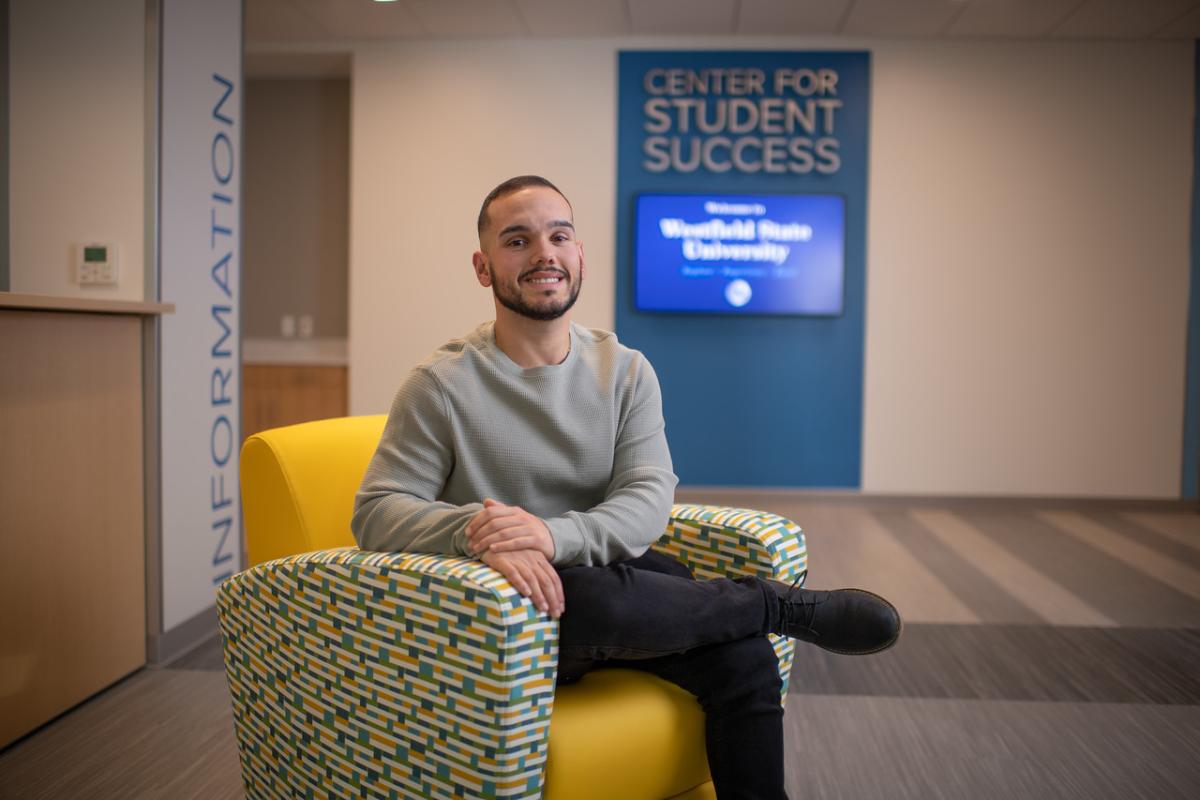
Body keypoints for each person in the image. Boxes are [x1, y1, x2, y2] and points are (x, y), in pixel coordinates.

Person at [352, 175, 901, 800]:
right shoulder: (440, 385)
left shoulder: (626, 370)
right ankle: (775, 605)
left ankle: (756, 624)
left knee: (745, 657)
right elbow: (377, 510)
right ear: (483, 268)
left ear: (579, 255)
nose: (543, 254)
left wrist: (547, 534)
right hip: (511, 619)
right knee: (594, 594)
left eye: (559, 235)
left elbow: (646, 499)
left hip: (621, 592)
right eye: (517, 240)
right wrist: (480, 535)